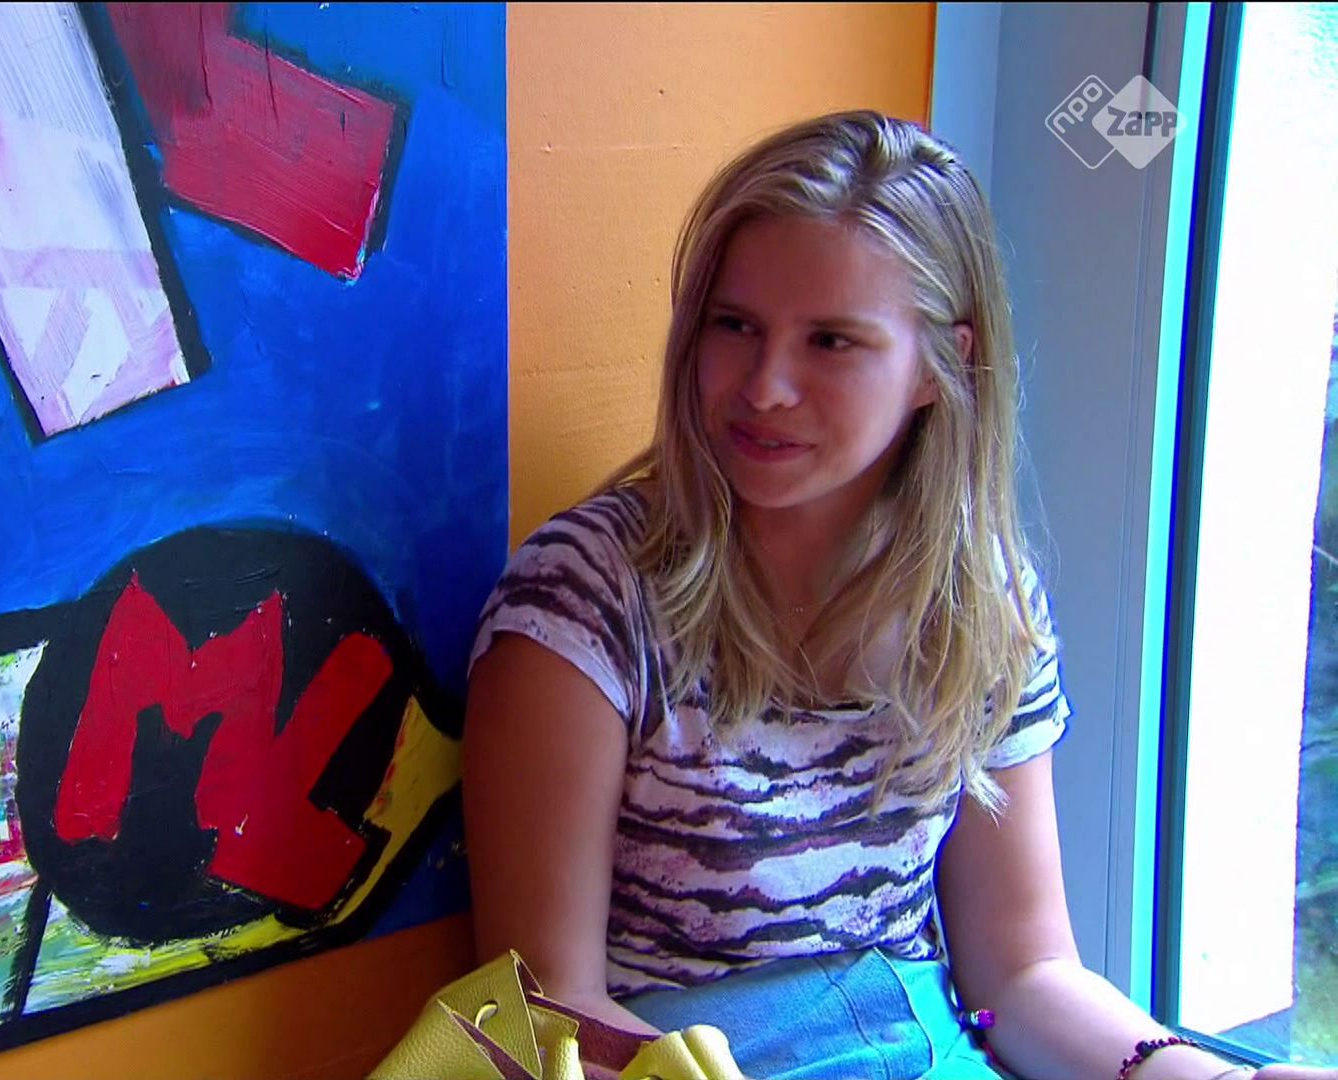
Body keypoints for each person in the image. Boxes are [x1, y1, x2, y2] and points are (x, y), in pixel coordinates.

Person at [461, 111, 1335, 1080]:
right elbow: (542, 1015)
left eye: (831, 341)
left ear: (939, 364)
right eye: (734, 325)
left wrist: (1211, 1076)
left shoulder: (982, 603)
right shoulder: (583, 602)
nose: (766, 386)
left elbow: (1023, 973)